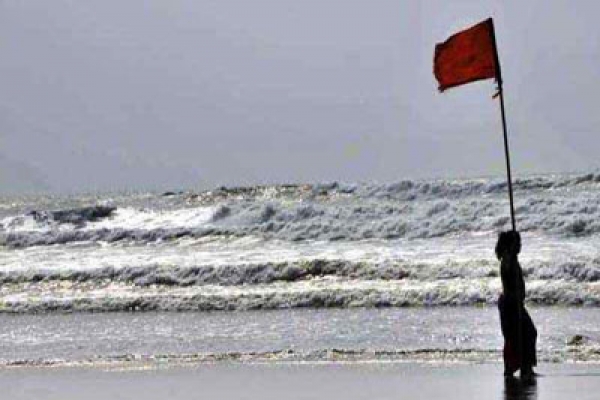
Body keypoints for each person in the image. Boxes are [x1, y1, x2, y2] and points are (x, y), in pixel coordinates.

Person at [496, 230, 537, 378]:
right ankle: (523, 367)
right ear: (510, 245)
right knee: (525, 333)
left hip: (515, 304)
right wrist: (511, 256)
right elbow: (508, 271)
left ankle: (523, 366)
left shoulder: (512, 259)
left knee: (520, 335)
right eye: (517, 243)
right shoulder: (508, 259)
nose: (520, 246)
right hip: (511, 305)